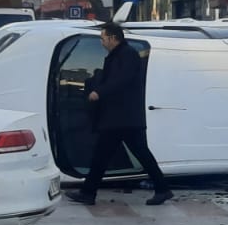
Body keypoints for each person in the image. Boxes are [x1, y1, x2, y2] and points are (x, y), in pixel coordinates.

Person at [68, 22, 173, 206]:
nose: (102, 42)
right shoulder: (119, 55)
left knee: (133, 153)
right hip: (119, 118)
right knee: (104, 154)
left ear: (113, 38)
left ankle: (162, 189)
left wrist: (99, 92)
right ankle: (88, 192)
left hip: (124, 117)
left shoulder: (127, 55)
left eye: (103, 38)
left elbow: (121, 80)